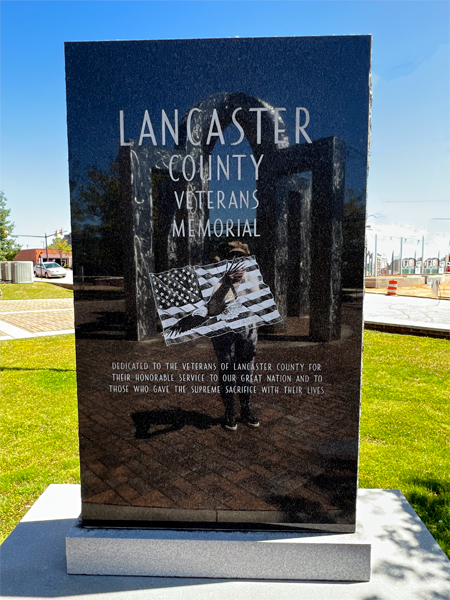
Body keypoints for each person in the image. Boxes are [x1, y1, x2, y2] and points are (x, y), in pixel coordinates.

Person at [208, 241, 260, 431]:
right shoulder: (217, 279)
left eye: (241, 257)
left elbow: (257, 303)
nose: (237, 261)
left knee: (246, 372)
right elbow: (212, 307)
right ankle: (229, 410)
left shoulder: (253, 278)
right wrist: (226, 283)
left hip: (247, 333)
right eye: (233, 257)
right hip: (223, 334)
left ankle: (245, 409)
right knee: (227, 372)